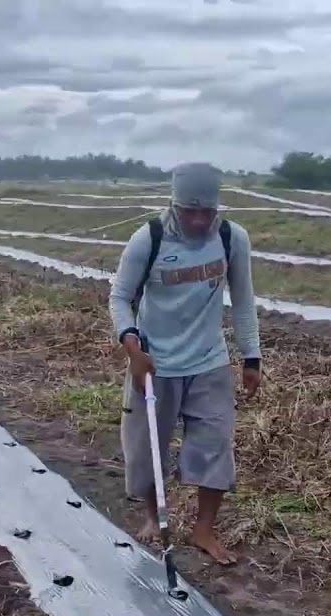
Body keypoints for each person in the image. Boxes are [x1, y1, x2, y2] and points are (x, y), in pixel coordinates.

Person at [108, 162, 261, 566]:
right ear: (173, 205)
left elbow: (243, 301)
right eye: (188, 211)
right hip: (154, 363)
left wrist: (251, 356)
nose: (197, 220)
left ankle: (203, 530)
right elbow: (120, 296)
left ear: (217, 209)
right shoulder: (149, 239)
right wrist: (133, 349)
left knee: (215, 445)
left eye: (206, 212)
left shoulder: (231, 239)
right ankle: (152, 519)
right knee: (146, 450)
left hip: (209, 361)